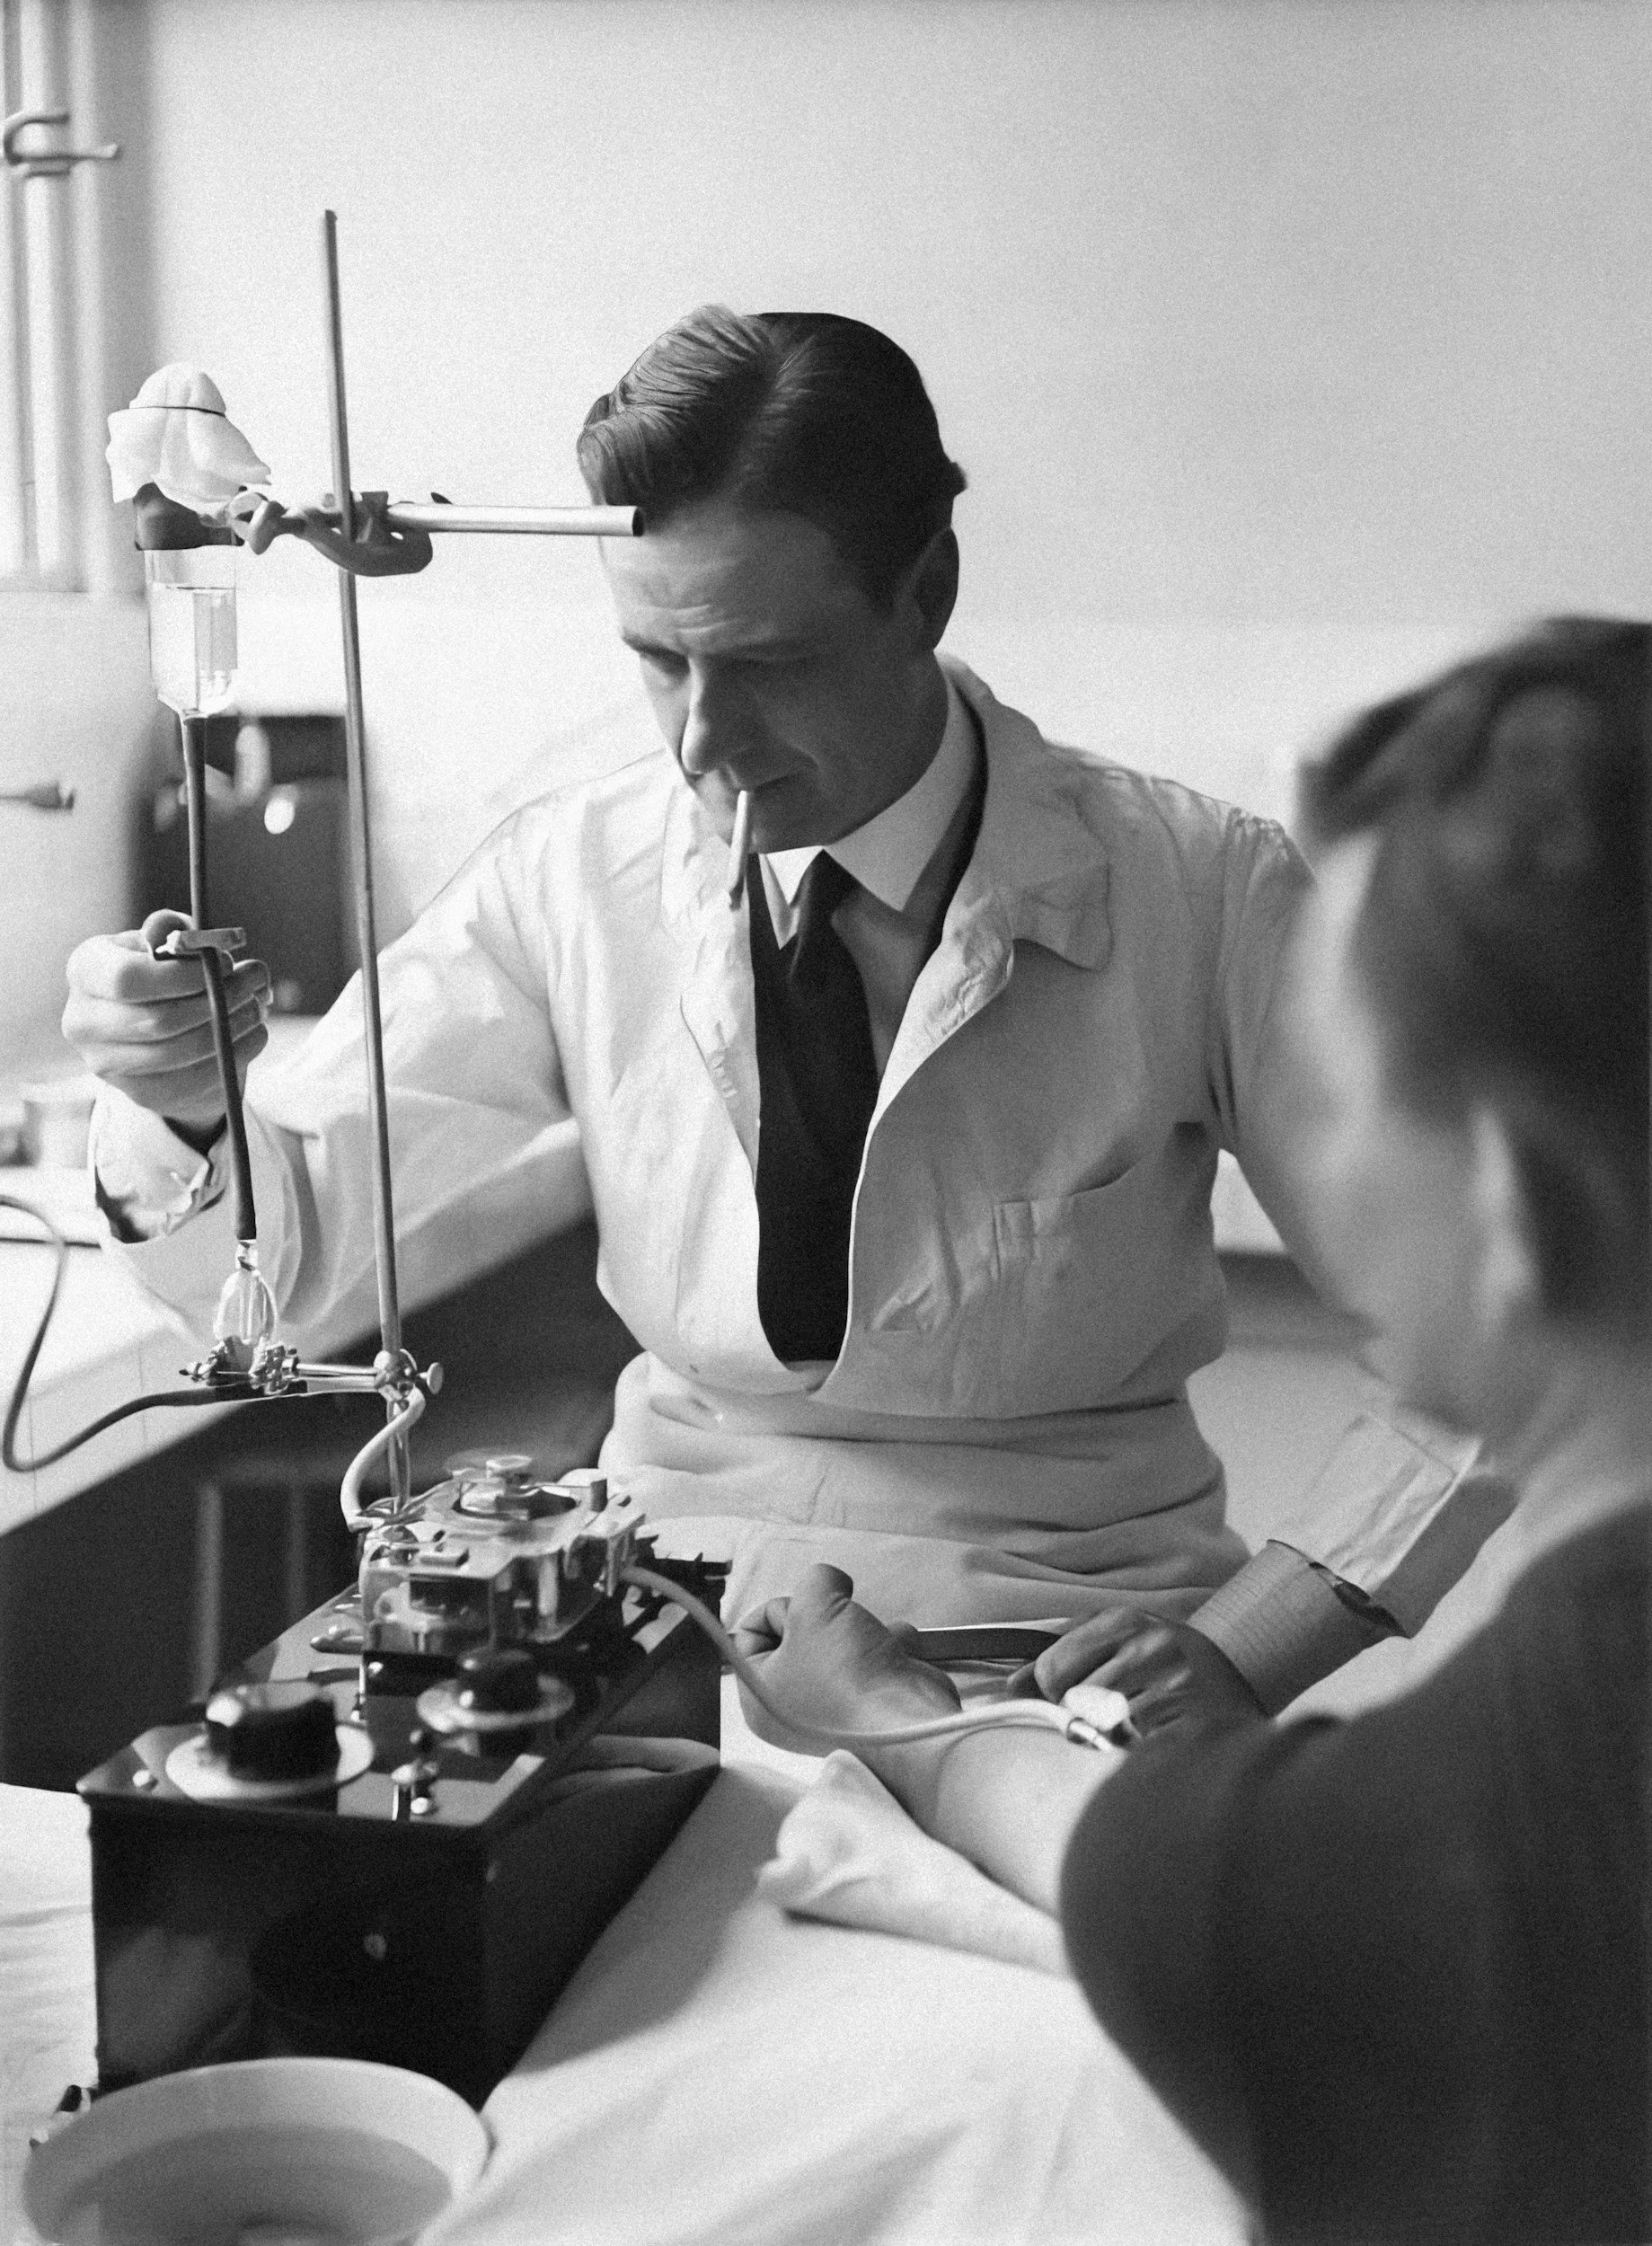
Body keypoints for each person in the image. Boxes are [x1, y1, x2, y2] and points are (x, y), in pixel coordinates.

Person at [66, 308, 1497, 1714]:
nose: (702, 740)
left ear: (924, 594)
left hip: (1050, 1649)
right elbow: (286, 1268)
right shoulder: (568, 877)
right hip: (656, 1635)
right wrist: (181, 1101)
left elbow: (1508, 1331)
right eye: (657, 660)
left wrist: (1250, 1645)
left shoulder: (1203, 892)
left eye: (765, 663)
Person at [733, 617, 1650, 2242]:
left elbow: (1149, 1867)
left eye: (1335, 1074)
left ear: (1504, 1205)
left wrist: (890, 1713)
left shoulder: (1437, 1854)